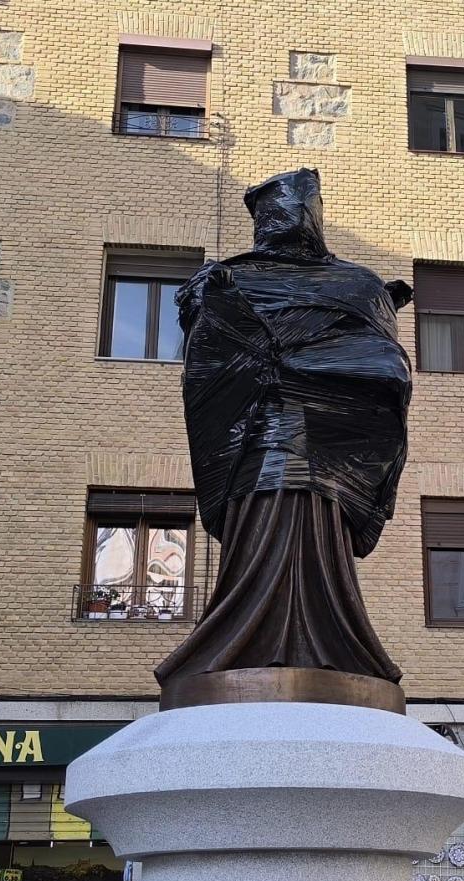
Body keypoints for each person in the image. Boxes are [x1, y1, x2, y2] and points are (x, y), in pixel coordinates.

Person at [156, 168, 413, 696]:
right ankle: (237, 643)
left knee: (316, 535)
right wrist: (202, 307)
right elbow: (210, 364)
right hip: (256, 436)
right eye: (271, 217)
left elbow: (386, 367)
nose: (281, 224)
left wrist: (288, 360)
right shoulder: (231, 277)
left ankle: (329, 647)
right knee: (261, 524)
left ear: (313, 219)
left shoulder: (359, 284)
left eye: (292, 214)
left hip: (329, 446)